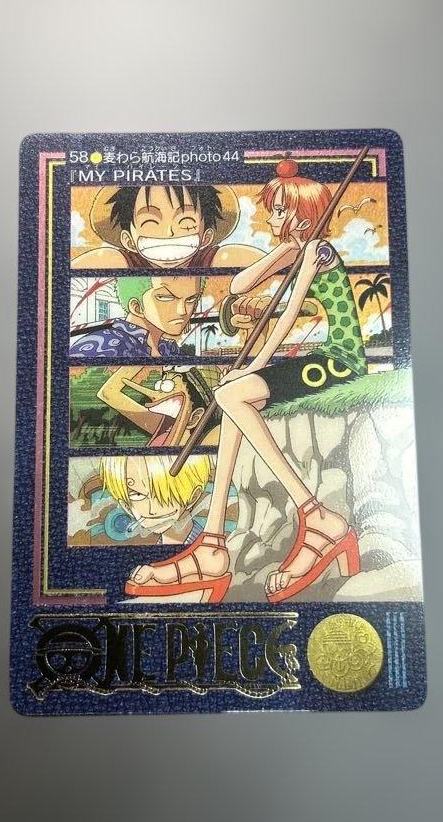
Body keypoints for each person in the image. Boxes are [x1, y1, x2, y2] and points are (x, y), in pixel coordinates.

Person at [125, 161, 367, 604]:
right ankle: (213, 544)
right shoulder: (299, 249)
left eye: (279, 210)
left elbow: (287, 315)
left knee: (234, 391)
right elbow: (239, 285)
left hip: (341, 361)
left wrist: (256, 364)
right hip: (322, 356)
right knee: (231, 395)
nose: (271, 218)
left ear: (302, 213)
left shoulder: (319, 252)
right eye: (271, 209)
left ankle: (318, 518)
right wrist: (283, 249)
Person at [72, 184, 261, 270]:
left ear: (206, 237)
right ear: (128, 241)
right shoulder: (124, 261)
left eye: (186, 222)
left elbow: (263, 262)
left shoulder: (210, 259)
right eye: (150, 223)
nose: (169, 233)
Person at [68, 276, 202, 361]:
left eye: (191, 299)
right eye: (165, 298)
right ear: (136, 307)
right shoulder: (103, 346)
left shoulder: (169, 349)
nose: (183, 311)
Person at [97, 454, 213, 545]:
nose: (152, 510)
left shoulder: (210, 547)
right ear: (126, 506)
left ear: (193, 496)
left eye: (163, 494)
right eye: (138, 494)